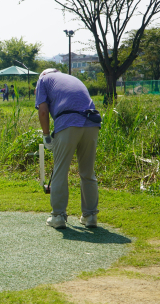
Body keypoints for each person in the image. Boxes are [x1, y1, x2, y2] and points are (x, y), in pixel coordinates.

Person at [35, 68, 101, 229]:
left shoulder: (43, 80)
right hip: (92, 122)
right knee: (87, 172)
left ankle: (57, 216)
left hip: (68, 122)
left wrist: (46, 136)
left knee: (60, 170)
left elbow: (43, 112)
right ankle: (90, 215)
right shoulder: (70, 78)